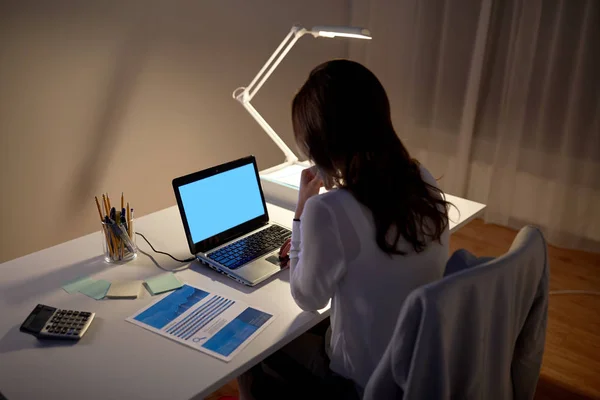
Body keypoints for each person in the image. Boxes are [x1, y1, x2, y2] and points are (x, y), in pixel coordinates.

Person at [241, 59, 451, 399]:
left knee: (254, 346)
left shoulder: (328, 210)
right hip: (416, 364)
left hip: (363, 381)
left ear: (321, 143)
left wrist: (301, 213)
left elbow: (307, 299)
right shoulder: (421, 179)